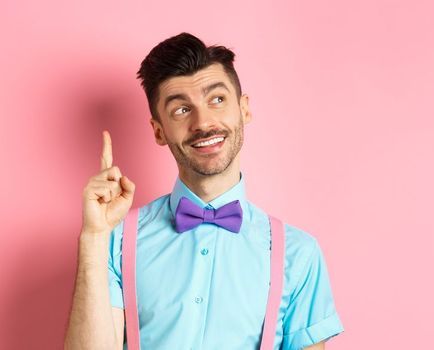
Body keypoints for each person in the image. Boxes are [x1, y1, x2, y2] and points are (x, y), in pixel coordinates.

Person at [65, 32, 343, 350]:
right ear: (159, 131)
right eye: (181, 110)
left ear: (244, 109)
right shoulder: (116, 240)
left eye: (217, 100)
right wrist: (93, 239)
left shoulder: (298, 254)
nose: (203, 122)